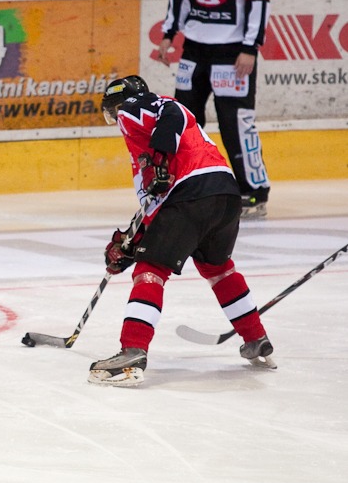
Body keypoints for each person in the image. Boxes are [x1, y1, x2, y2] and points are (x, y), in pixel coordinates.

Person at [90, 75, 275, 387]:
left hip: (193, 192)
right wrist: (130, 243)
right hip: (225, 194)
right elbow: (156, 206)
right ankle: (256, 338)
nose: (115, 120)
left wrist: (161, 158)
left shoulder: (137, 108)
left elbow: (170, 110)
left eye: (112, 112)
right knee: (218, 269)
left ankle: (132, 351)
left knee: (151, 269)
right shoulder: (148, 147)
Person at [155, 0, 271, 218]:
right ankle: (185, 185)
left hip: (232, 53)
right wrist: (169, 34)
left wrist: (250, 47)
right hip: (194, 50)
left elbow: (259, 0)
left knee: (236, 124)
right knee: (183, 121)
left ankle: (254, 190)